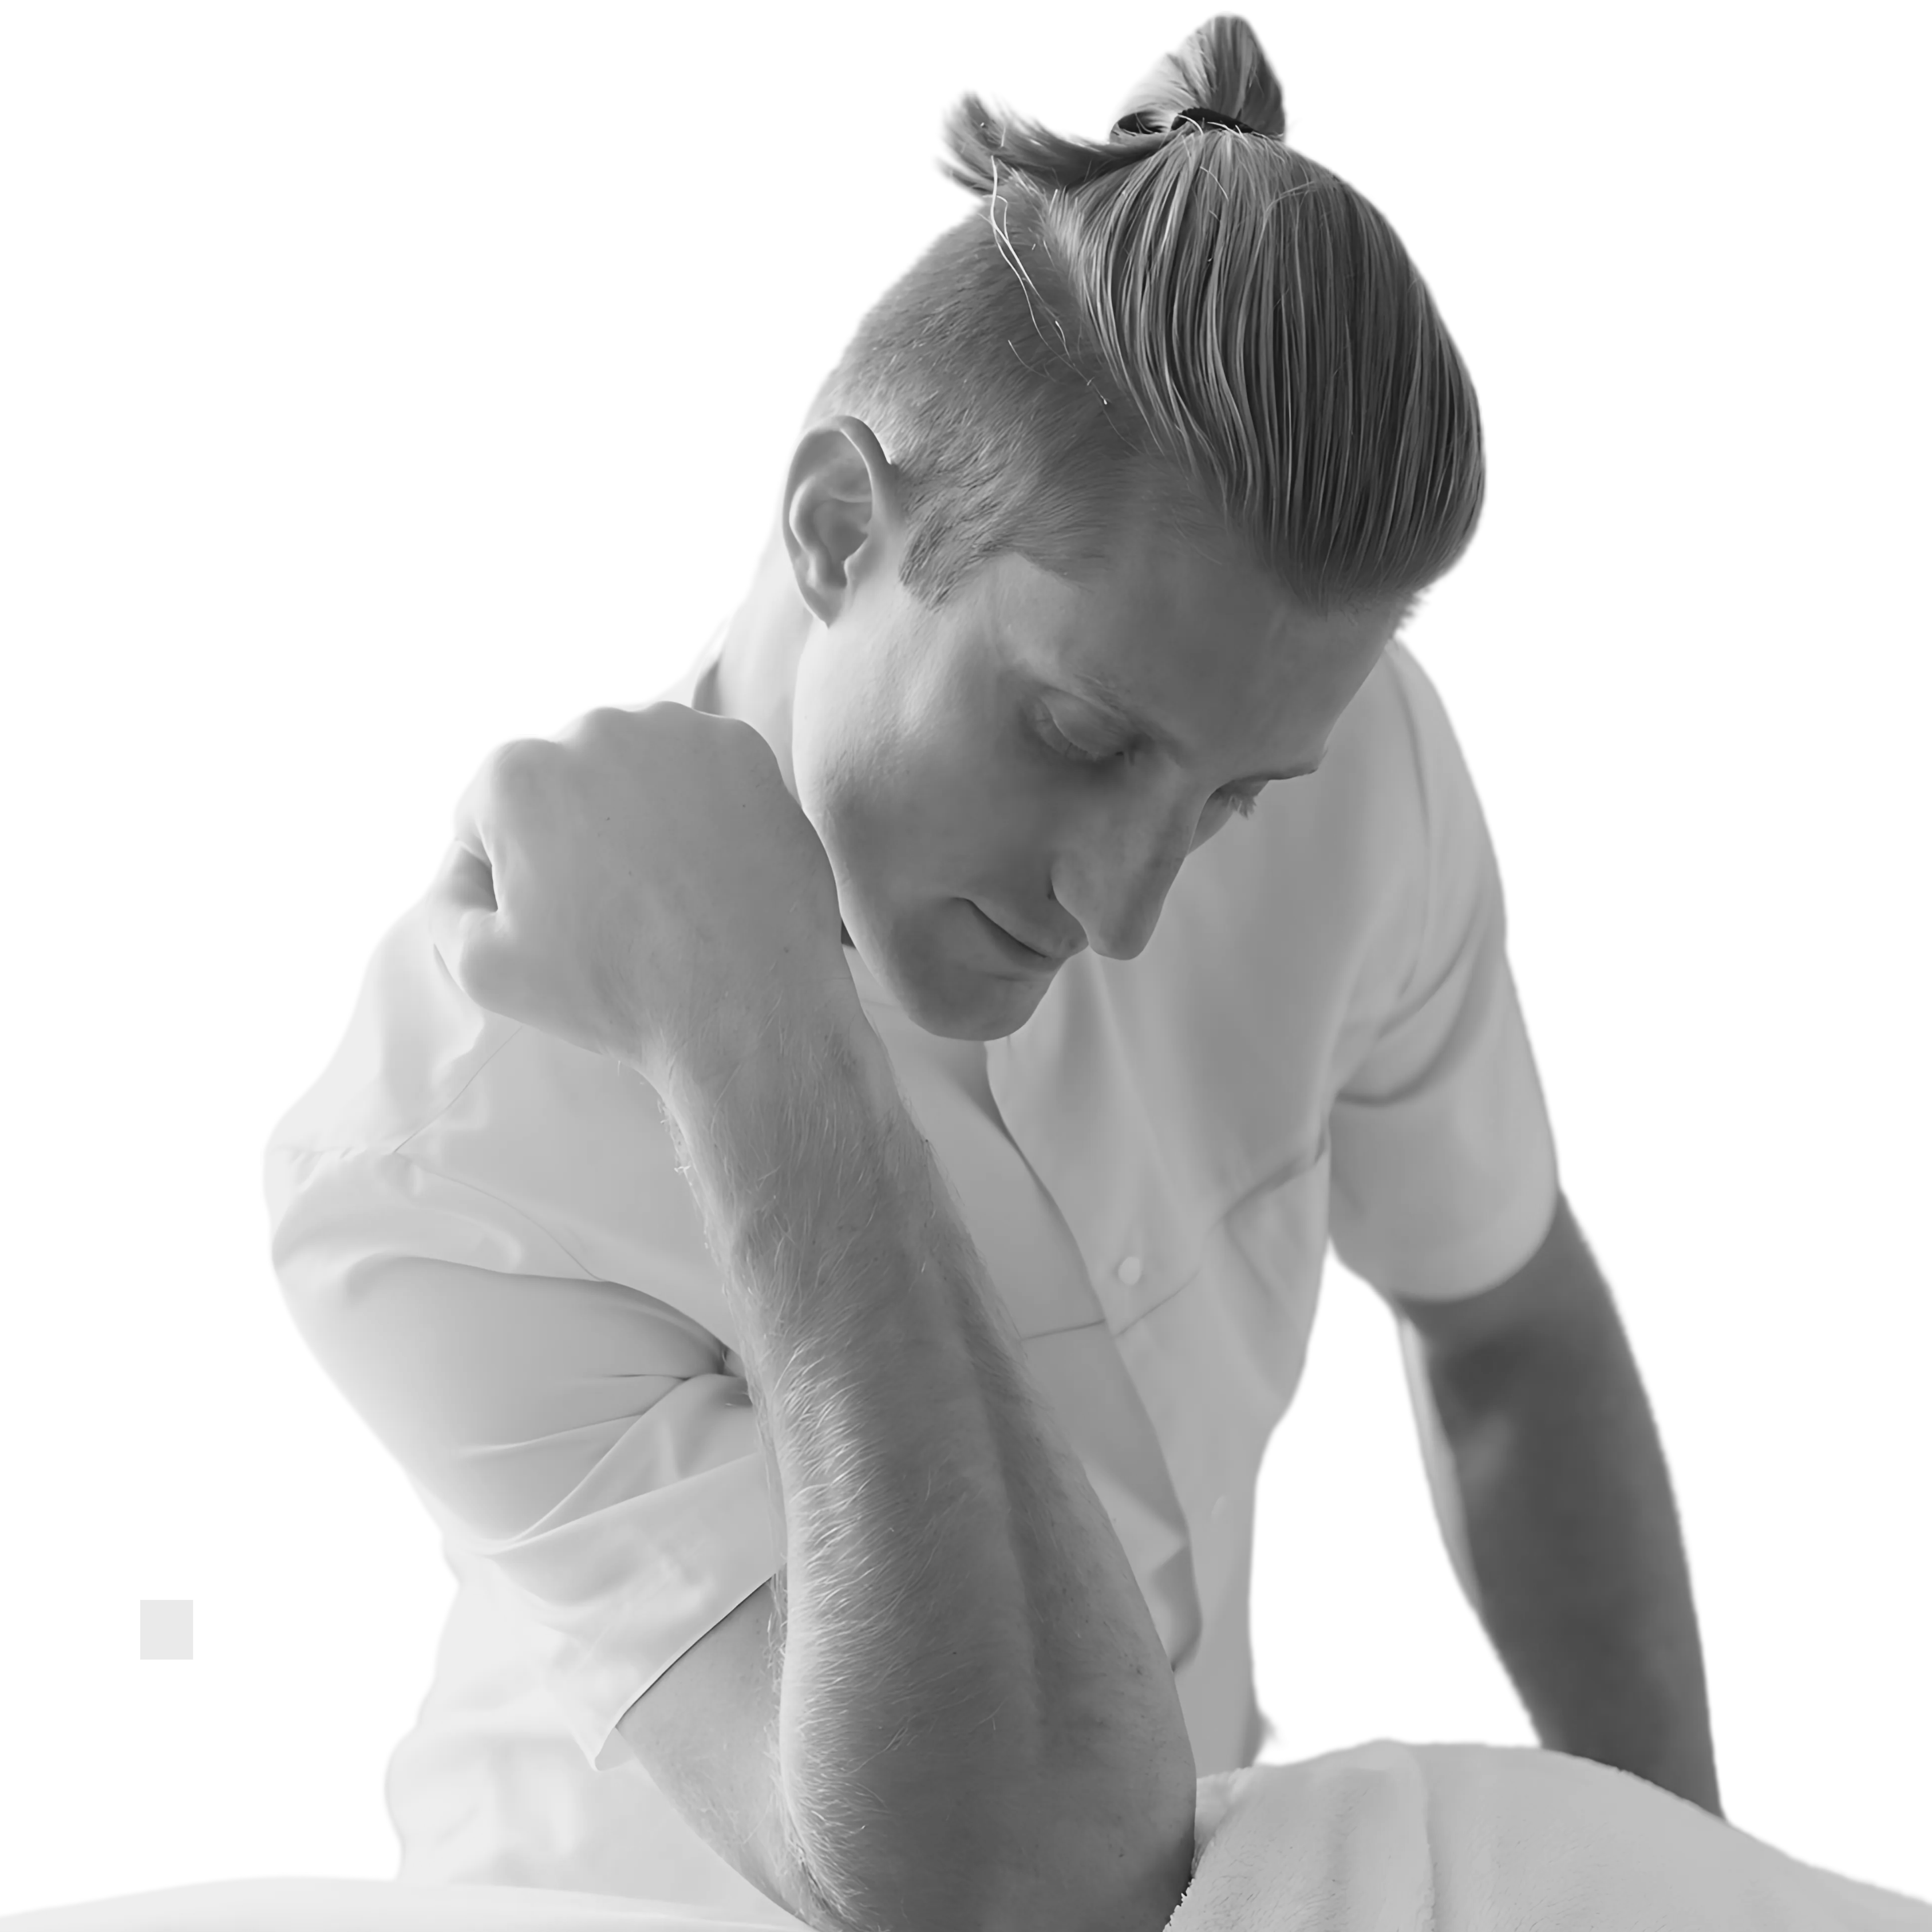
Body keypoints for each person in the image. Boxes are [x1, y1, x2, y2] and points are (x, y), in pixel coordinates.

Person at [256, 13, 1613, 1927]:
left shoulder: (1342, 746)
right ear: (837, 525)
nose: (1125, 907)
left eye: (1232, 799)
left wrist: (1689, 1878)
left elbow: (1508, 1332)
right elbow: (982, 1886)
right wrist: (759, 1038)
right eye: (1076, 735)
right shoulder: (443, 1147)